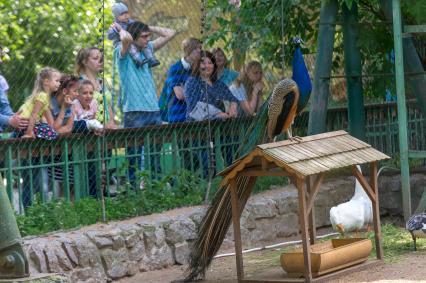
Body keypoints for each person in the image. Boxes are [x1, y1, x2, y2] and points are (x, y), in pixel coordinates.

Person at [115, 20, 175, 185]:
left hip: (153, 110)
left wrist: (149, 27)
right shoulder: (123, 52)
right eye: (143, 36)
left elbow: (170, 32)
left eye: (149, 36)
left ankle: (154, 187)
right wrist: (122, 28)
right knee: (133, 156)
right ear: (134, 37)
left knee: (155, 155)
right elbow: (126, 39)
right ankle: (132, 190)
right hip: (134, 111)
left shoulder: (147, 49)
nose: (147, 39)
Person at [184, 51, 238, 121]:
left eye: (210, 63)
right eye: (203, 63)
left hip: (221, 126)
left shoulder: (218, 84)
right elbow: (193, 105)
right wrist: (217, 114)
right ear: (197, 65)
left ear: (214, 66)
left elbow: (232, 98)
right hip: (198, 126)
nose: (207, 66)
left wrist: (233, 106)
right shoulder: (192, 82)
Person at [159, 37, 202, 123]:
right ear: (188, 50)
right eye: (196, 48)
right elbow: (180, 95)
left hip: (195, 117)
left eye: (200, 48)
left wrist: (186, 90)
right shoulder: (175, 68)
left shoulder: (197, 69)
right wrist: (197, 93)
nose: (199, 51)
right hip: (178, 117)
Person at [75, 47, 117, 130]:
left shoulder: (102, 81)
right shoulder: (80, 83)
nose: (100, 61)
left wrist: (111, 122)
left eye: (101, 58)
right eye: (95, 58)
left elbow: (107, 105)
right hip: (91, 129)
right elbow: (79, 109)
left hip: (108, 127)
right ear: (85, 61)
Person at [108, 2, 160, 68]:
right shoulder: (114, 25)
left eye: (126, 13)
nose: (126, 15)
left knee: (144, 44)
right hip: (121, 43)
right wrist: (116, 31)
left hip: (132, 40)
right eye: (122, 14)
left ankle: (151, 59)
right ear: (116, 17)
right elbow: (109, 37)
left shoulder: (131, 21)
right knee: (130, 46)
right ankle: (138, 60)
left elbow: (138, 28)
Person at [15, 67, 60, 140]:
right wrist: (29, 132)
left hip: (27, 124)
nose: (59, 83)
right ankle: (28, 132)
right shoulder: (42, 95)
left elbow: (45, 119)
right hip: (25, 124)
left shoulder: (44, 96)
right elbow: (34, 114)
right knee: (51, 133)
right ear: (46, 82)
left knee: (51, 131)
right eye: (57, 81)